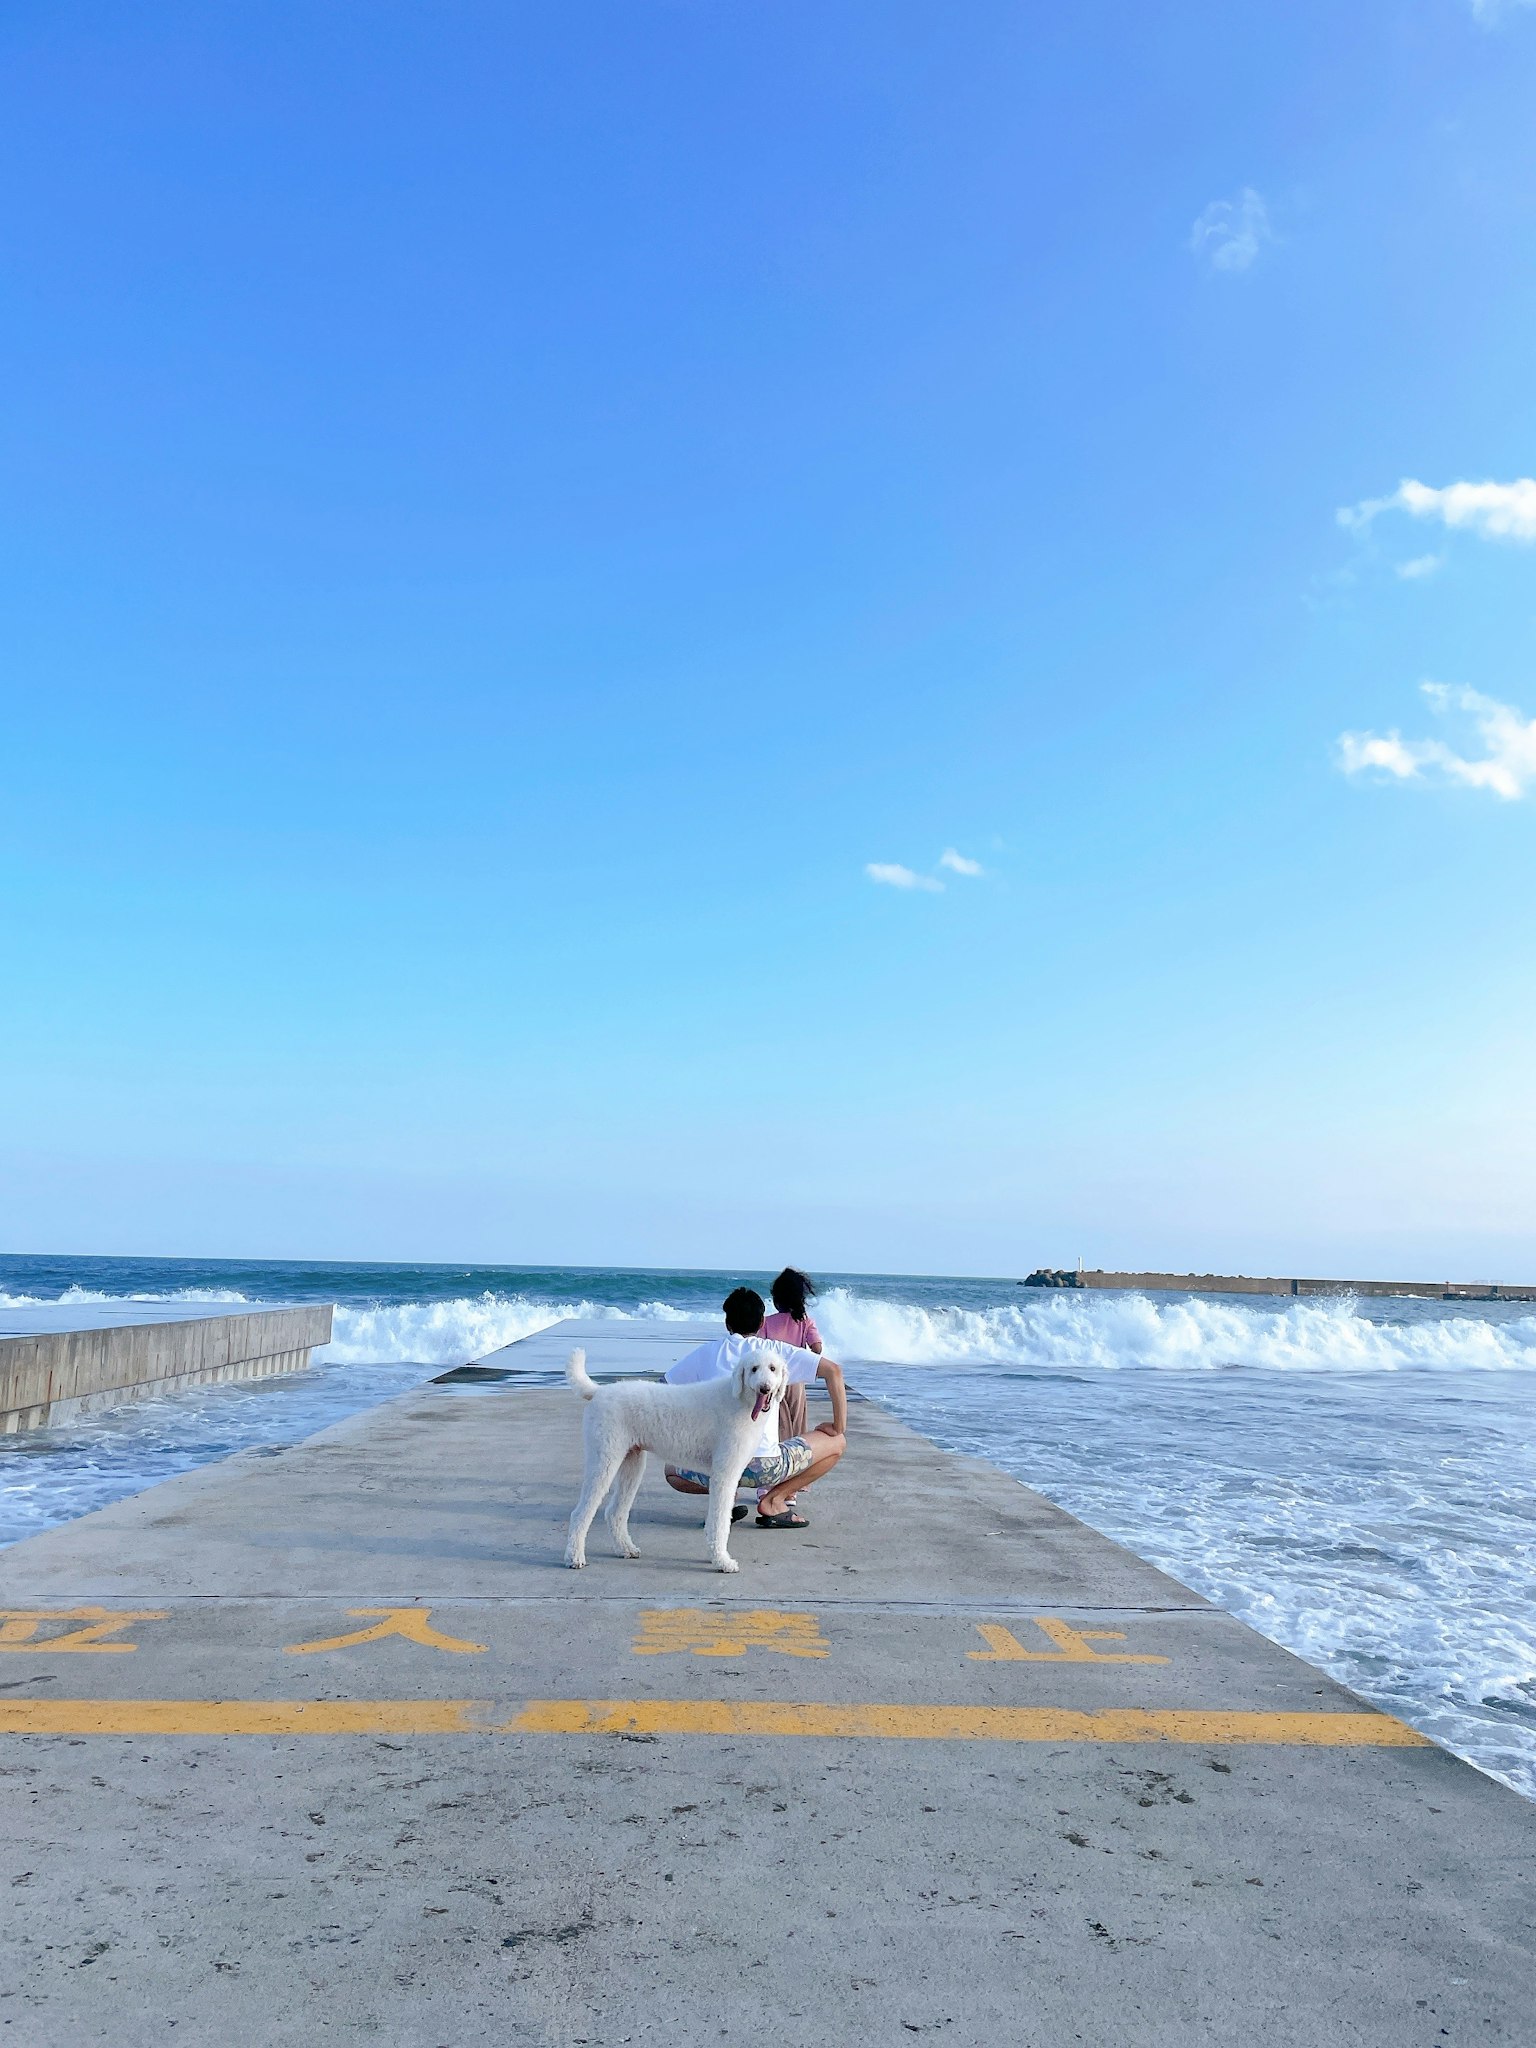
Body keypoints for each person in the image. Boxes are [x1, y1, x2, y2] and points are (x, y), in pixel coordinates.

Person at [662, 1285, 847, 1529]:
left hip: (717, 1465)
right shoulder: (774, 1352)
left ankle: (725, 1497)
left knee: (671, 1470)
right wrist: (837, 1426)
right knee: (837, 1443)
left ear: (727, 1322)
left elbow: (665, 1388)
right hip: (767, 1468)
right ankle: (774, 1500)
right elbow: (833, 1371)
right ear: (762, 1322)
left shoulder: (707, 1353)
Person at [761, 1267, 821, 1506]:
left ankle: (771, 1483)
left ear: (776, 1299)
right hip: (795, 1384)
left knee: (773, 1432)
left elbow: (759, 1349)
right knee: (796, 1432)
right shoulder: (806, 1321)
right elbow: (817, 1349)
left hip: (773, 1385)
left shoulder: (766, 1322)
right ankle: (792, 1488)